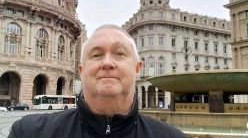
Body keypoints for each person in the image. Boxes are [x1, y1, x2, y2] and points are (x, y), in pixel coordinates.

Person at [8, 24, 187, 138]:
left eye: (120, 54)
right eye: (97, 55)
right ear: (81, 71)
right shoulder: (29, 132)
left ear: (137, 69)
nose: (107, 63)